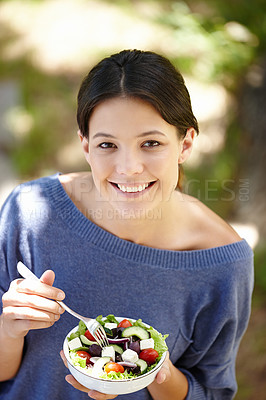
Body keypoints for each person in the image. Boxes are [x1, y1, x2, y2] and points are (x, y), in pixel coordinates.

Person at [0, 49, 253, 400]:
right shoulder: (28, 212)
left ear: (186, 144)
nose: (128, 167)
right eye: (108, 144)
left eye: (151, 143)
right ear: (85, 146)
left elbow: (211, 393)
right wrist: (8, 330)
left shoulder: (222, 264)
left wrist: (152, 372)